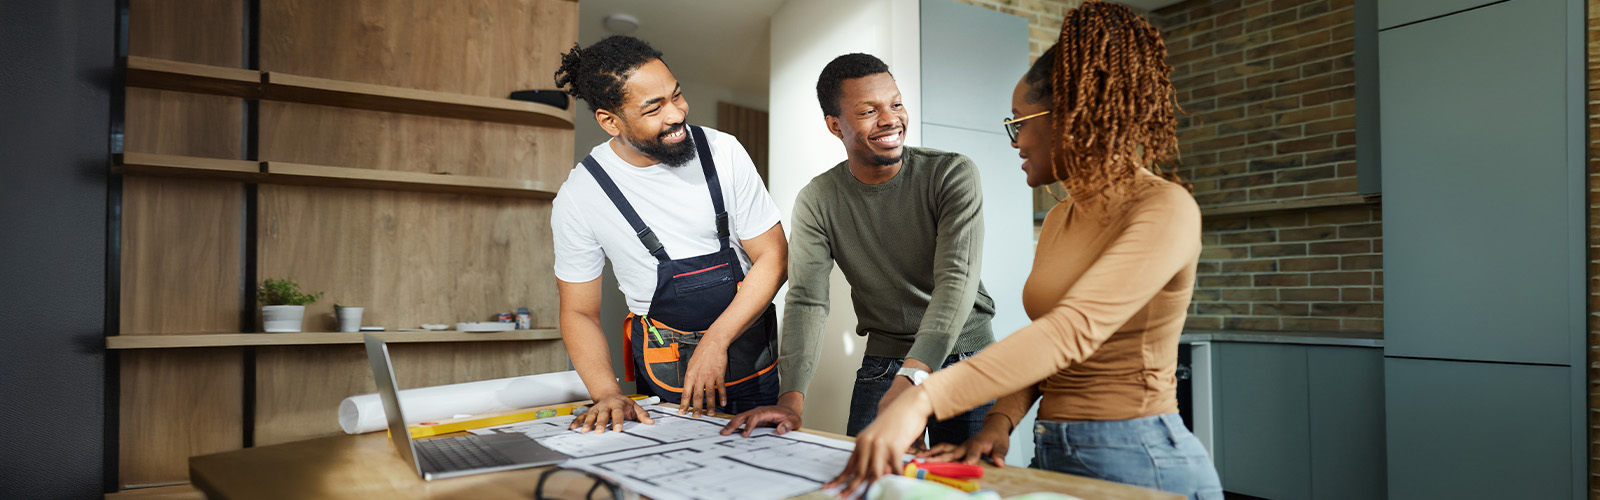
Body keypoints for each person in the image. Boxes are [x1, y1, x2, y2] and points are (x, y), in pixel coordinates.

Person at [828, 3, 1223, 498]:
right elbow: (1044, 343)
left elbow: (1070, 331)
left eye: (1019, 123)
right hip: (1053, 451)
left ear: (1071, 118)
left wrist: (921, 399)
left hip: (1140, 458)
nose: (1015, 141)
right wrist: (999, 422)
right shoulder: (1061, 218)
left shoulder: (1165, 207)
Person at [721, 53, 995, 447]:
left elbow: (956, 280)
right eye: (869, 110)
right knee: (867, 472)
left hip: (964, 354)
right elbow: (807, 300)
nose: (890, 119)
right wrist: (791, 399)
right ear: (835, 125)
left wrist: (912, 377)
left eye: (896, 104)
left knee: (965, 477)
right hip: (885, 359)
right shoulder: (818, 198)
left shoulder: (950, 173)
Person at [550, 35, 787, 433]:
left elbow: (774, 257)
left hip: (750, 354)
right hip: (666, 369)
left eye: (676, 95)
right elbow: (579, 312)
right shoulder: (581, 195)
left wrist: (715, 341)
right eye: (654, 108)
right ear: (610, 121)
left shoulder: (723, 151)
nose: (677, 114)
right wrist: (606, 392)